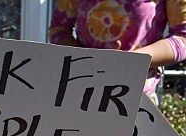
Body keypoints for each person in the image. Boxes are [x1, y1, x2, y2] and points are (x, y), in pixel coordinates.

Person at [48, 0, 186, 102]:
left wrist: (131, 60)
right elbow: (59, 28)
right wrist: (91, 62)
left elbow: (182, 38)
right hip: (81, 91)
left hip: (138, 99)